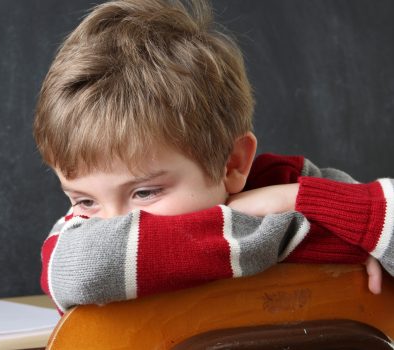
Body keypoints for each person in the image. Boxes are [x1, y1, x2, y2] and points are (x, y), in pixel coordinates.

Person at [32, 0, 394, 313]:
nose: (111, 223)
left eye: (144, 193)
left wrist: (293, 196)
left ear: (233, 164)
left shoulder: (290, 182)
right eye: (84, 200)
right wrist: (329, 238)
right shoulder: (79, 238)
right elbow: (77, 270)